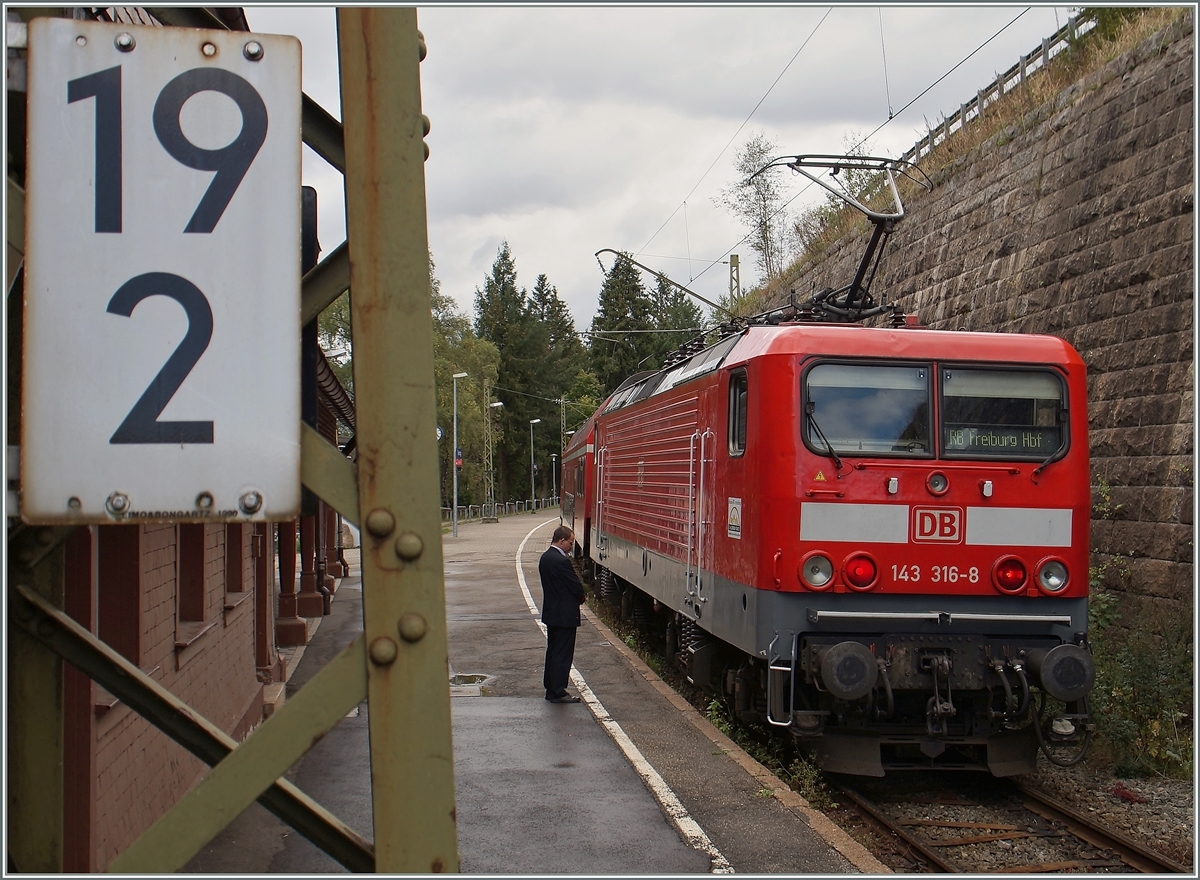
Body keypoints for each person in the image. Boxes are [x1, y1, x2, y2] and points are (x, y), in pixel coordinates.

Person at [538, 525, 586, 703]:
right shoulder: (561, 561)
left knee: (552, 651)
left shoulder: (545, 558)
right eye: (571, 543)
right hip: (565, 616)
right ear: (562, 540)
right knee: (563, 654)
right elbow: (575, 586)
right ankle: (558, 691)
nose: (571, 547)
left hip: (552, 613)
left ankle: (550, 688)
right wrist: (581, 597)